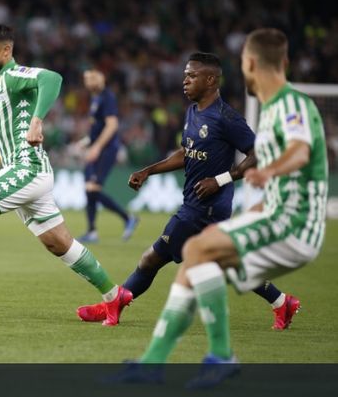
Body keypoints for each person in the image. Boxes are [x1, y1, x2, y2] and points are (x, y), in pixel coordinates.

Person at [129, 29, 328, 388]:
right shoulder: (270, 109)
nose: (185, 80)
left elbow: (299, 153)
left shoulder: (288, 105)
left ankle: (180, 359)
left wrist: (258, 173)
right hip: (277, 214)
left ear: (249, 64)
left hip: (295, 223)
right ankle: (266, 315)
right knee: (199, 259)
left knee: (193, 255)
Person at [77, 53, 298, 329]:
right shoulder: (193, 111)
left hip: (204, 208)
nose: (185, 80)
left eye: (191, 76)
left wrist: (220, 180)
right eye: (185, 74)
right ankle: (282, 302)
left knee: (151, 259)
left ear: (210, 80)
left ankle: (112, 306)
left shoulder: (226, 118)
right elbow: (186, 153)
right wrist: (148, 170)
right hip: (199, 204)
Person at [0, 23, 128, 320]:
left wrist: (37, 119)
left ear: (5, 51)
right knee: (58, 243)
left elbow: (52, 79)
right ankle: (114, 296)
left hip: (27, 167)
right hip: (23, 172)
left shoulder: (14, 75)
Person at [77, 69, 139, 244]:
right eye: (86, 78)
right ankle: (92, 231)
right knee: (89, 190)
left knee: (92, 189)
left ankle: (127, 218)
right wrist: (87, 140)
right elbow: (99, 126)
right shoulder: (95, 98)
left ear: (102, 78)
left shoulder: (107, 96)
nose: (88, 81)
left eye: (92, 77)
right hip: (96, 148)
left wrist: (96, 147)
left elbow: (112, 126)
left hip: (106, 150)